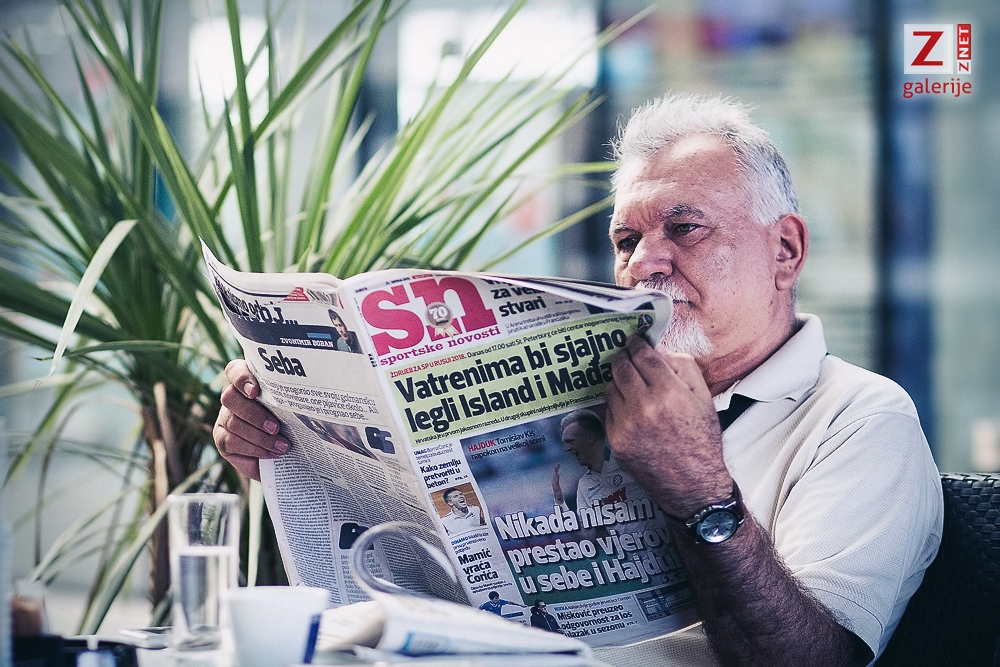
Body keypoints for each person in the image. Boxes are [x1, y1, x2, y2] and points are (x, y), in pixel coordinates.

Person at [213, 92, 943, 666]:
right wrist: (294, 441)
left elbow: (812, 661)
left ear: (785, 250)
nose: (643, 263)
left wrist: (700, 492)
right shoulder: (583, 394)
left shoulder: (859, 416)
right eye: (627, 239)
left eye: (684, 228)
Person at [551, 409, 646, 515]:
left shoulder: (629, 462)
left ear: (590, 438)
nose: (567, 448)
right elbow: (585, 526)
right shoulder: (584, 485)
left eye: (571, 441)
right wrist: (560, 502)